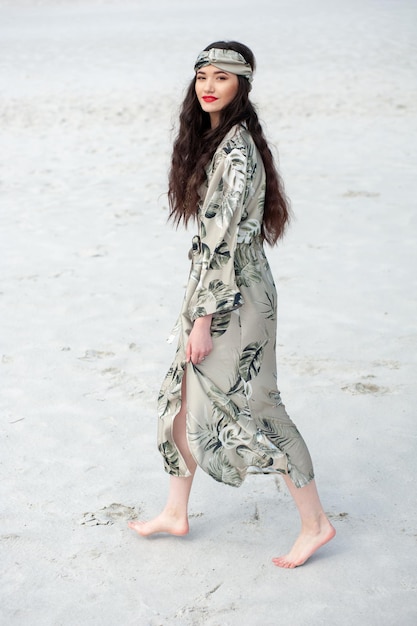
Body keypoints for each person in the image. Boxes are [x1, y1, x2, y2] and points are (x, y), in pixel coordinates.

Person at [129, 41, 335, 568]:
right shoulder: (218, 142)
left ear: (242, 85)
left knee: (261, 405)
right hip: (215, 289)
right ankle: (177, 512)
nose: (208, 85)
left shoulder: (237, 152)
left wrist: (203, 320)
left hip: (233, 299)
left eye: (222, 77)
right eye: (202, 74)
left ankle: (316, 524)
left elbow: (222, 244)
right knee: (178, 397)